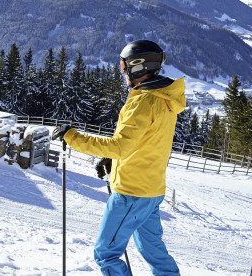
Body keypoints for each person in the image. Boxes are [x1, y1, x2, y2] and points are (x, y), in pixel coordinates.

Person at [52, 39, 185, 275]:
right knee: (153, 250)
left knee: (106, 253)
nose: (122, 72)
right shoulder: (163, 99)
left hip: (131, 193)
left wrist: (72, 137)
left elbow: (119, 146)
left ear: (137, 66)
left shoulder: (144, 101)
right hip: (151, 190)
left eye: (123, 67)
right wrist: (115, 164)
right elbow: (146, 144)